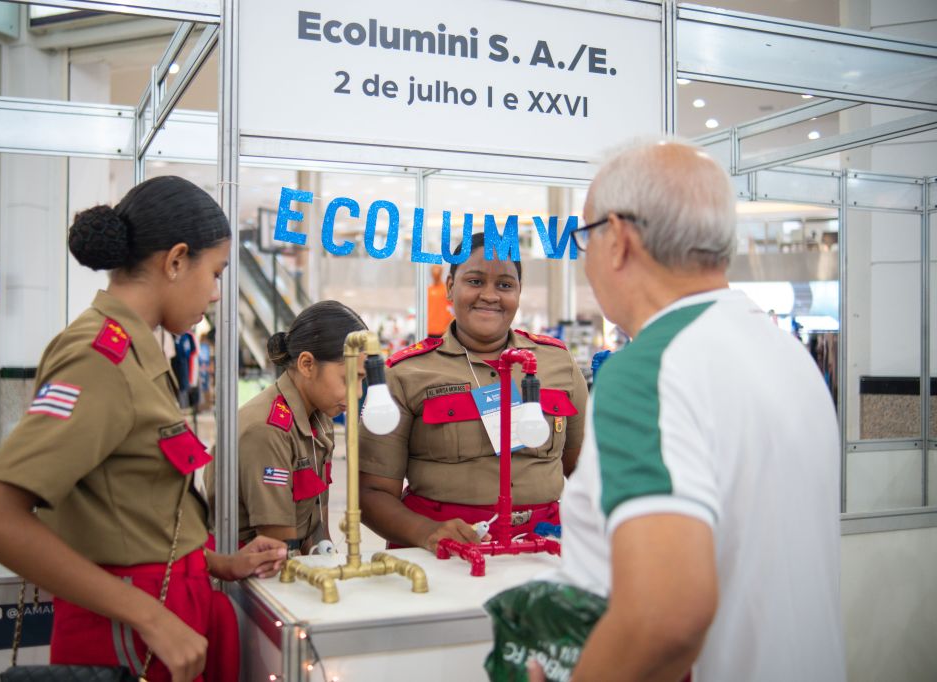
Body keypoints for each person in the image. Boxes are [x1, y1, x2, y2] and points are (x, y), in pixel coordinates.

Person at [534, 141, 844, 681]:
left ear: (619, 240)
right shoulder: (783, 352)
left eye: (584, 236)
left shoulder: (650, 369)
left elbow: (666, 617)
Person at [0, 176, 287, 682]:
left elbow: (133, 507)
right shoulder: (98, 357)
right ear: (176, 260)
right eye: (215, 273)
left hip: (165, 614)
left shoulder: (138, 353)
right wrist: (151, 617)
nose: (217, 294)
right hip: (130, 635)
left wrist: (217, 564)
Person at [360, 233, 589, 551]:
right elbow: (372, 492)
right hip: (444, 552)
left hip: (546, 545)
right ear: (451, 287)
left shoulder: (557, 361)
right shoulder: (406, 372)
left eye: (505, 285)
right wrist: (427, 533)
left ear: (519, 293)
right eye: (475, 281)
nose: (490, 296)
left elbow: (583, 471)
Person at [205, 301, 368, 555]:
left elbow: (317, 520)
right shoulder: (268, 430)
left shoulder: (320, 418)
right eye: (348, 378)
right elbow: (277, 547)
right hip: (254, 575)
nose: (356, 393)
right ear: (307, 364)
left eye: (361, 379)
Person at [427, 263, 454, 337]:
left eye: (438, 272)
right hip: (429, 329)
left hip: (443, 330)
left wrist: (450, 324)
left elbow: (453, 308)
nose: (436, 274)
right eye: (434, 272)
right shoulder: (428, 291)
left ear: (441, 273)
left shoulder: (445, 290)